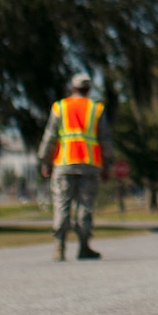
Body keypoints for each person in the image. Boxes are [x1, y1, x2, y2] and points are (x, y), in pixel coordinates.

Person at [40, 73, 110, 262]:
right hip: (89, 164)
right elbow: (105, 139)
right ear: (88, 90)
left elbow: (50, 136)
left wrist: (45, 160)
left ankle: (59, 247)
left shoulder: (60, 107)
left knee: (62, 204)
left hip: (63, 164)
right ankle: (84, 246)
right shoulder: (96, 109)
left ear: (72, 88)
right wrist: (107, 164)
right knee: (85, 207)